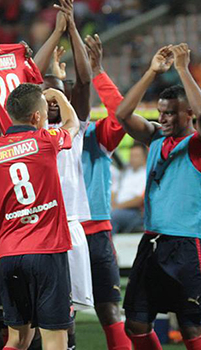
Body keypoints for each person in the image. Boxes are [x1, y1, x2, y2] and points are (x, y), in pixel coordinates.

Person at [116, 43, 201, 350]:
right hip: (153, 242)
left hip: (190, 246)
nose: (163, 119)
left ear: (187, 113)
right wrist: (152, 71)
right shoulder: (154, 137)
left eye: (170, 113)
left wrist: (182, 69)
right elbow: (123, 114)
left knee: (191, 329)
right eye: (160, 113)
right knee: (135, 323)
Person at [0, 83, 80, 350]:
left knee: (17, 338)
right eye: (44, 113)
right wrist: (57, 94)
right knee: (54, 337)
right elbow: (73, 124)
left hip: (8, 254)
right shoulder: (46, 140)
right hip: (46, 251)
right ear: (36, 117)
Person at [41, 1, 94, 348]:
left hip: (69, 223)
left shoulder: (74, 132)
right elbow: (28, 72)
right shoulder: (34, 131)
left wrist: (72, 28)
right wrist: (57, 31)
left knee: (66, 312)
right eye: (50, 94)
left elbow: (85, 79)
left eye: (63, 93)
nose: (58, 99)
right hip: (37, 227)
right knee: (35, 314)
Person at [80, 34, 131, 350]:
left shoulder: (95, 135)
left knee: (110, 309)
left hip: (96, 231)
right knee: (58, 316)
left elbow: (122, 115)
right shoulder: (41, 139)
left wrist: (98, 71)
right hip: (60, 233)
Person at [111, 142, 147, 234]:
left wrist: (117, 207)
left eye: (136, 156)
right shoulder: (126, 172)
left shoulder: (146, 174)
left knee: (113, 216)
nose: (132, 159)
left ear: (144, 158)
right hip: (118, 208)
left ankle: (107, 247)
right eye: (131, 155)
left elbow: (139, 200)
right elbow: (115, 190)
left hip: (135, 212)